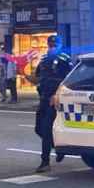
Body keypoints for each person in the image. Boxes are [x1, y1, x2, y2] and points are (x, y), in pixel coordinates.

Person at [34, 36, 71, 173]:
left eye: (55, 44)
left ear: (60, 45)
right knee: (38, 129)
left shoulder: (65, 60)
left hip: (54, 99)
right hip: (43, 97)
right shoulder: (44, 59)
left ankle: (45, 162)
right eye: (50, 44)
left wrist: (57, 94)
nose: (52, 47)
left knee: (47, 129)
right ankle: (58, 147)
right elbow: (38, 76)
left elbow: (68, 79)